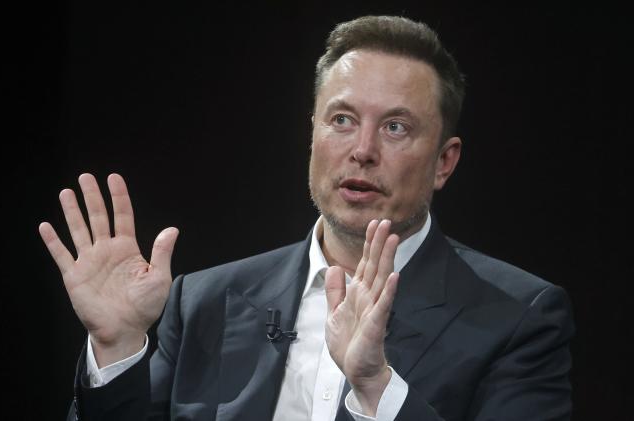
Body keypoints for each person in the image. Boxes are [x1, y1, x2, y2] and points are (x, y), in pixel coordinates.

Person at [40, 15, 574, 421]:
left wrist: (376, 388)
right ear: (312, 134)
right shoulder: (203, 301)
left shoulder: (518, 317)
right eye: (342, 120)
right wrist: (116, 350)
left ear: (444, 162)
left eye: (395, 128)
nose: (362, 150)